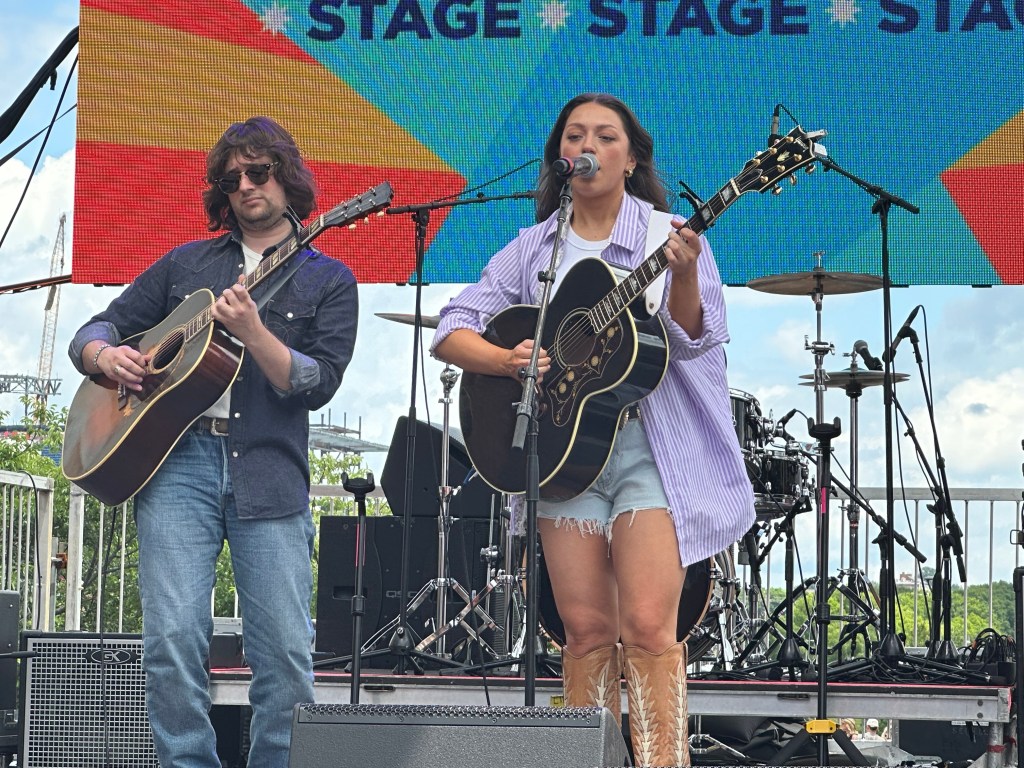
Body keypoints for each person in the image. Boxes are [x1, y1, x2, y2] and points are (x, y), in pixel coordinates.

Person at [431, 93, 754, 767]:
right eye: (576, 135)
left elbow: (697, 340)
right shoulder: (536, 247)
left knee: (645, 624)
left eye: (606, 136)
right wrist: (507, 359)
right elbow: (451, 328)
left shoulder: (669, 232)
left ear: (631, 158)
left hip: (652, 450)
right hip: (563, 458)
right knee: (583, 631)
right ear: (561, 156)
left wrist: (686, 272)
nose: (589, 145)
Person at [67, 116, 358, 768]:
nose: (247, 186)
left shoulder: (327, 279)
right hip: (174, 462)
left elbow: (316, 382)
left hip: (268, 469)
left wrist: (255, 332)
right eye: (232, 179)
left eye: (260, 172)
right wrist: (104, 357)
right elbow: (99, 325)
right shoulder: (186, 265)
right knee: (172, 638)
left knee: (284, 647)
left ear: (288, 177)